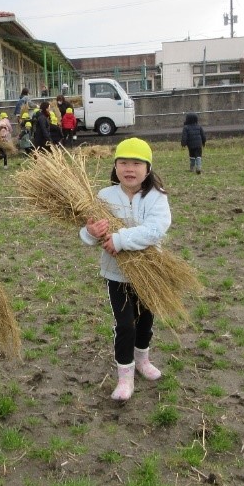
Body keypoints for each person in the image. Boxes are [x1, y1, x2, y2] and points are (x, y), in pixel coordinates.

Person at [79, 138, 170, 401]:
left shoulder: (156, 197)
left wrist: (120, 239)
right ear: (115, 166)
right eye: (123, 162)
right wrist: (90, 232)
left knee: (145, 322)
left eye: (136, 163)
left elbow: (155, 229)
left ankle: (142, 360)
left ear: (148, 168)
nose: (129, 169)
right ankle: (125, 377)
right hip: (116, 275)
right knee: (125, 325)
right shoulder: (104, 197)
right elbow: (87, 233)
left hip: (150, 272)